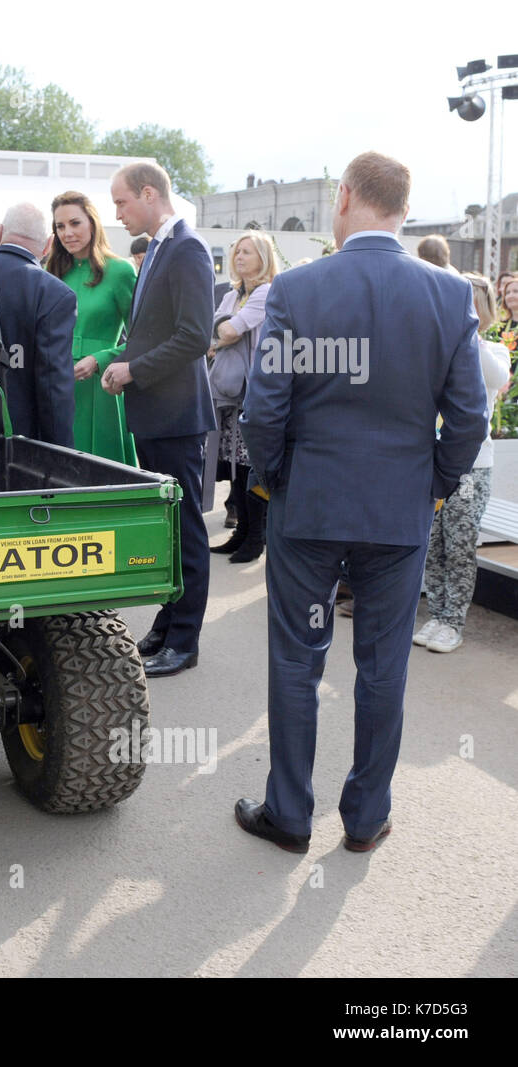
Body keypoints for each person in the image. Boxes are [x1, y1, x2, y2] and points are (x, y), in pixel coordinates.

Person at [235, 151, 489, 853]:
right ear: (405, 208)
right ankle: (366, 817)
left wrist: (280, 477)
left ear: (344, 196)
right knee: (383, 666)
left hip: (309, 503)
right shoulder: (446, 295)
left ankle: (288, 814)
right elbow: (469, 418)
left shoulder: (298, 289)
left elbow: (263, 410)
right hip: (398, 510)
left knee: (296, 657)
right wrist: (433, 484)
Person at [101, 162, 214, 677]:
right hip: (156, 412)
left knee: (186, 528)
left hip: (175, 415)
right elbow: (154, 331)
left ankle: (185, 640)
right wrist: (115, 361)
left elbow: (195, 336)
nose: (117, 213)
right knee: (169, 526)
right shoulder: (162, 246)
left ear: (149, 194)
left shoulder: (186, 247)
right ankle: (168, 624)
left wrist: (133, 370)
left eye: (122, 202)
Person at [415, 273, 511, 652]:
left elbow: (498, 377)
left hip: (473, 466)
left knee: (459, 542)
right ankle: (437, 614)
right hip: (434, 460)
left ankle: (453, 620)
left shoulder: (490, 350)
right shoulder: (437, 348)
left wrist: (465, 332)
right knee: (434, 541)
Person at [46, 190, 137, 465]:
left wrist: (100, 359)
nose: (67, 232)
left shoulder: (120, 271)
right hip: (58, 383)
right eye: (60, 226)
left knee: (103, 475)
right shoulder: (52, 272)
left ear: (93, 223)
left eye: (75, 223)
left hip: (101, 388)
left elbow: (142, 336)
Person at [208, 231, 280, 563]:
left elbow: (228, 331)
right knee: (234, 465)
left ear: (263, 258)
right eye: (237, 252)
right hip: (230, 393)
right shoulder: (234, 293)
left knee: (251, 465)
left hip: (254, 392)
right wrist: (221, 331)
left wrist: (221, 332)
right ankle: (240, 534)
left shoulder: (266, 292)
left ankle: (256, 538)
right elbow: (211, 334)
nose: (238, 257)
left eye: (247, 252)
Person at [0, 202, 75, 448]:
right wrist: (61, 451)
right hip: (22, 440)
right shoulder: (54, 293)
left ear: (1, 231)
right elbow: (53, 385)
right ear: (48, 244)